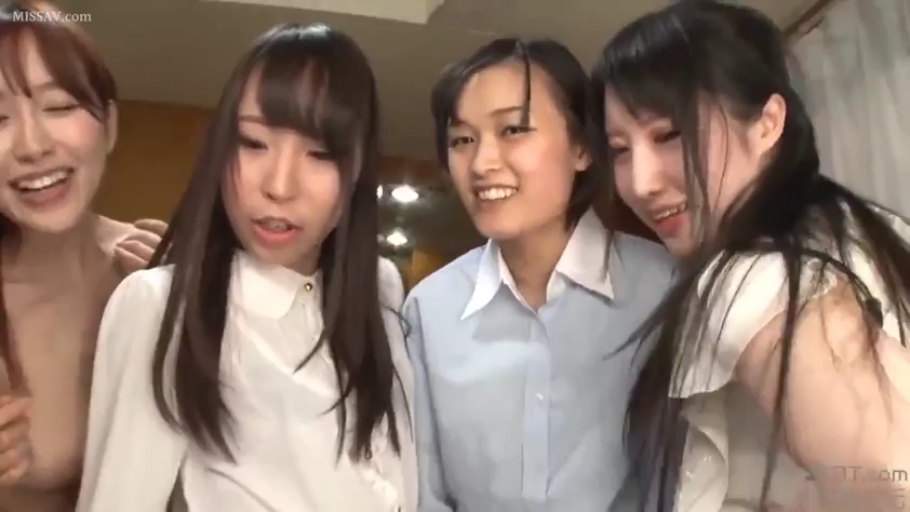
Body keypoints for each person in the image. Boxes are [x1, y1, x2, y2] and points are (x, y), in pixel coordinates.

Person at [75, 22, 416, 512]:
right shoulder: (162, 307)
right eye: (253, 143)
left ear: (359, 169)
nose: (279, 185)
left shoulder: (380, 293)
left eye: (321, 153)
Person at [591, 2, 910, 511]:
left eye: (669, 134)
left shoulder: (754, 278)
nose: (641, 182)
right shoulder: (862, 228)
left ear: (767, 123)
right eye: (620, 150)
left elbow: (891, 481)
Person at [404, 38, 675, 512]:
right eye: (462, 140)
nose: (483, 164)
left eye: (513, 129)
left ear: (583, 147)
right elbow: (427, 494)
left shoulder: (666, 289)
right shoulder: (430, 310)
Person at [0, 2, 164, 510]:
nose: (32, 145)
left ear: (109, 125)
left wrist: (194, 319)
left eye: (58, 107)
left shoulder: (158, 268)